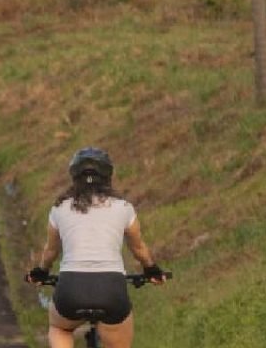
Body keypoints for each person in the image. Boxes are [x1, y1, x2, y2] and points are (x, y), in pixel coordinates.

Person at [25, 147, 166, 348]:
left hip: (70, 288)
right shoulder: (123, 208)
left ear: (74, 176)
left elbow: (51, 251)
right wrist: (151, 269)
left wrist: (40, 272)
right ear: (108, 176)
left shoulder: (59, 208)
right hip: (111, 289)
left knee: (60, 329)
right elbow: (139, 248)